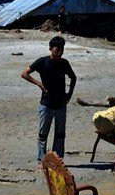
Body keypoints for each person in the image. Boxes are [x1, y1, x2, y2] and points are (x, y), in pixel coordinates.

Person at [21, 35, 77, 167]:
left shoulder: (64, 63)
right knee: (43, 133)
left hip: (61, 105)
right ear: (51, 49)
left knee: (60, 133)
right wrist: (39, 83)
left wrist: (69, 94)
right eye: (57, 49)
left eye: (62, 49)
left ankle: (57, 160)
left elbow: (73, 78)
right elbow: (24, 73)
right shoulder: (42, 62)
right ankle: (42, 161)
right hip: (46, 104)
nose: (60, 52)